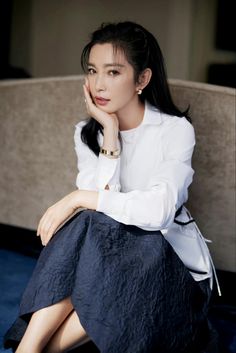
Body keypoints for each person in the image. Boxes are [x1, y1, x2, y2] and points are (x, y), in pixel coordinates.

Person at [4, 21, 218, 353]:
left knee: (92, 217)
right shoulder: (87, 133)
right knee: (92, 223)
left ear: (142, 79)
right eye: (92, 71)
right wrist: (110, 135)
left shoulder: (175, 131)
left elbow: (158, 212)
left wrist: (77, 198)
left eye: (113, 72)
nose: (99, 84)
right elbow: (99, 215)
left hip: (171, 278)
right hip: (111, 272)